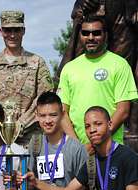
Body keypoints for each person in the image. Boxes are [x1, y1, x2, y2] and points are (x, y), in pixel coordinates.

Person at [56, 0, 138, 139]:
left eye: (96, 34)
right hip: (92, 11)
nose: (91, 37)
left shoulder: (119, 64)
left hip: (123, 19)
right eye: (86, 34)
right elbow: (62, 111)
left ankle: (132, 127)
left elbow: (123, 109)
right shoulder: (70, 68)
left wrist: (101, 137)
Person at [0, 10, 53, 147]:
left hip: (28, 140)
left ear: (23, 31)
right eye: (7, 30)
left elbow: (45, 99)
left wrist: (20, 125)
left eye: (17, 30)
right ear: (1, 31)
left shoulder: (37, 62)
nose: (12, 35)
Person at [25, 106, 138, 190]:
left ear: (109, 125)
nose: (92, 130)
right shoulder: (91, 162)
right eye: (87, 126)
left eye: (98, 124)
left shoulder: (128, 158)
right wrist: (35, 182)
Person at [26, 91, 87, 190]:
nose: (48, 120)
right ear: (37, 116)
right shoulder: (35, 143)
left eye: (53, 115)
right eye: (43, 116)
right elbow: (30, 185)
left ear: (63, 114)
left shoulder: (77, 148)